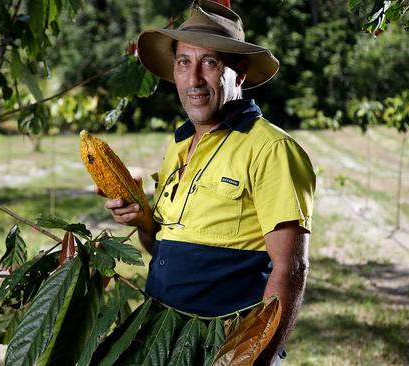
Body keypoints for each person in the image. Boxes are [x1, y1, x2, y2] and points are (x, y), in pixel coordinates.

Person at [101, 1, 316, 364]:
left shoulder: (271, 149)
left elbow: (291, 268)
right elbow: (167, 250)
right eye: (184, 62)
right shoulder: (179, 144)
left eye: (210, 63)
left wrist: (255, 357)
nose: (194, 79)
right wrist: (142, 221)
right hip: (163, 334)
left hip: (228, 344)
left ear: (240, 73)